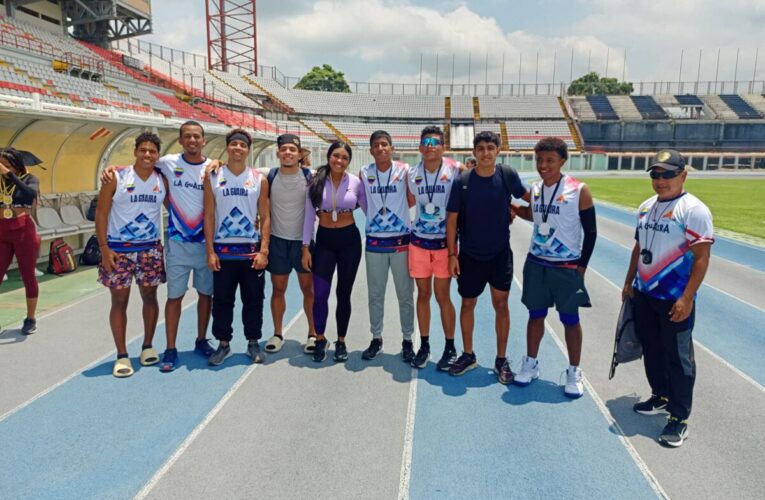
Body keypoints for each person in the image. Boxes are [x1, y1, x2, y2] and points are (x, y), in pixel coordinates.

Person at [102, 121, 217, 372]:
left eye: (197, 136)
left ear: (203, 140)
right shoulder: (167, 164)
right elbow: (105, 208)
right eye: (187, 136)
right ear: (180, 140)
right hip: (173, 244)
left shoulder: (212, 167)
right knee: (172, 297)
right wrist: (112, 167)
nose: (192, 140)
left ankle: (198, 340)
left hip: (199, 245)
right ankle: (166, 348)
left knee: (204, 296)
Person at [622, 149, 713, 448]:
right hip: (646, 293)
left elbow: (701, 258)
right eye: (656, 175)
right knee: (652, 348)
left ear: (683, 175)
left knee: (679, 358)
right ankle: (660, 395)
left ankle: (679, 417)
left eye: (668, 174)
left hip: (675, 298)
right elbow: (639, 247)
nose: (661, 180)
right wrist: (628, 281)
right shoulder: (646, 206)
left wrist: (687, 298)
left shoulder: (694, 210)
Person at [512, 137, 597, 398]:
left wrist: (581, 268)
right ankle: (531, 363)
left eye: (549, 160)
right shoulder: (536, 189)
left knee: (570, 319)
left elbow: (591, 232)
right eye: (539, 160)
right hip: (537, 264)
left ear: (562, 160)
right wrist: (512, 207)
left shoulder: (578, 190)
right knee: (535, 315)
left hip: (566, 266)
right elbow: (535, 215)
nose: (543, 165)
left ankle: (573, 370)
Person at [445, 131, 528, 384]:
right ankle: (468, 354)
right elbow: (452, 219)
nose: (485, 153)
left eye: (490, 147)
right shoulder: (463, 181)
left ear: (498, 150)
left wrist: (549, 209)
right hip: (470, 255)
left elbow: (530, 198)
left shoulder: (507, 175)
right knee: (468, 304)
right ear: (474, 152)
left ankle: (501, 359)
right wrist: (452, 254)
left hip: (500, 254)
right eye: (480, 148)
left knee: (501, 306)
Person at [95, 133, 166, 378]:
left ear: (158, 155)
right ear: (135, 151)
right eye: (143, 150)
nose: (147, 155)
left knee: (150, 296)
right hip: (118, 251)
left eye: (152, 151)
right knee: (119, 302)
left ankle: (147, 346)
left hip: (150, 249)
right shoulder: (116, 176)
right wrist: (104, 249)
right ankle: (122, 354)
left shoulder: (162, 178)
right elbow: (102, 214)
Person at [204, 129, 270, 366]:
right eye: (234, 144)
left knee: (253, 300)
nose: (238, 148)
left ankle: (253, 342)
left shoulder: (258, 179)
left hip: (251, 253)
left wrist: (264, 251)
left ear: (248, 149)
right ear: (227, 147)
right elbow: (209, 216)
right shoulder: (213, 176)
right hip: (223, 253)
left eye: (242, 145)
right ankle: (223, 344)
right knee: (222, 300)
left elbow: (265, 216)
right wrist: (210, 251)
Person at [301, 142, 366, 362]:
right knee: (320, 294)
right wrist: (305, 248)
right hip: (325, 241)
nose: (339, 161)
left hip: (349, 241)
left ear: (349, 161)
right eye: (336, 156)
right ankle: (320, 339)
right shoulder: (315, 181)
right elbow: (309, 217)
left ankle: (341, 341)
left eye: (344, 157)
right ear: (329, 157)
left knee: (343, 293)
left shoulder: (356, 182)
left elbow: (368, 208)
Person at [406, 126, 460, 370]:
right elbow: (406, 201)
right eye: (425, 141)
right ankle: (424, 345)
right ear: (419, 147)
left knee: (443, 296)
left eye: (435, 142)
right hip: (418, 243)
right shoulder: (411, 173)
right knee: (423, 295)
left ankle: (450, 346)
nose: (430, 145)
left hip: (443, 245)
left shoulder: (456, 170)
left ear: (443, 147)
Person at [359, 131, 415, 361]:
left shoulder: (404, 171)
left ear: (392, 148)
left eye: (384, 144)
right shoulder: (364, 172)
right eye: (376, 145)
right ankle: (376, 338)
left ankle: (407, 340)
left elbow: (412, 198)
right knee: (375, 294)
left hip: (401, 242)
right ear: (371, 150)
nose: (381, 148)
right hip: (374, 243)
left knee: (405, 294)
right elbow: (361, 199)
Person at [262, 134, 316, 355]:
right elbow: (238, 169)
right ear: (277, 153)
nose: (287, 153)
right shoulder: (269, 175)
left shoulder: (310, 176)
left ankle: (312, 334)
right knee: (278, 289)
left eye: (292, 149)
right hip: (278, 241)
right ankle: (277, 333)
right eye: (283, 149)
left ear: (299, 154)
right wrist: (217, 162)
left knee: (308, 290)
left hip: (303, 243)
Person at [0, 148, 42, 335]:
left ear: (15, 166)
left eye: (7, 165)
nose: (2, 168)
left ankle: (30, 318)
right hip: (2, 229)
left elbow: (29, 195)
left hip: (23, 229)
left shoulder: (30, 179)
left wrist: (10, 176)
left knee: (27, 275)